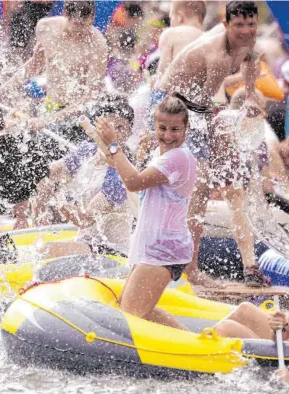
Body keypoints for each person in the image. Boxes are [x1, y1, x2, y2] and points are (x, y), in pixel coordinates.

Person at [150, 1, 267, 287]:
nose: (245, 30)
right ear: (226, 25)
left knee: (232, 183)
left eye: (250, 24)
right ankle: (189, 270)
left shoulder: (248, 41)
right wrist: (228, 122)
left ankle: (250, 267)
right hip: (172, 104)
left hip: (201, 106)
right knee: (199, 187)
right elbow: (202, 106)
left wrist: (250, 96)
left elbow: (251, 62)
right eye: (238, 25)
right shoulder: (216, 54)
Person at [96, 94, 197, 329]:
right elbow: (135, 176)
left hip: (164, 251)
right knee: (135, 309)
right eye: (162, 128)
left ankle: (193, 351)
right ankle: (190, 343)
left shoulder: (178, 157)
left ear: (186, 128)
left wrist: (114, 145)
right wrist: (113, 157)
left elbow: (133, 182)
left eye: (175, 129)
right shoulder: (161, 154)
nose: (168, 135)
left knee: (130, 315)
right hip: (152, 248)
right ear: (154, 125)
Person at [36, 95, 135, 259]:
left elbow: (84, 220)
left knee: (46, 250)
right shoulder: (87, 151)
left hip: (113, 252)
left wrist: (57, 199)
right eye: (109, 127)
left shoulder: (123, 172)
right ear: (97, 128)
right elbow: (52, 170)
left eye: (120, 128)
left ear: (130, 132)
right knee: (40, 248)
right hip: (86, 244)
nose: (113, 134)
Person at [0, 0, 108, 129]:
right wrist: (2, 91)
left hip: (75, 114)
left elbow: (91, 95)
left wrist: (48, 121)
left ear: (92, 18)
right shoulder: (46, 27)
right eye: (76, 25)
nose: (79, 32)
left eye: (84, 25)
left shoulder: (98, 45)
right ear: (65, 15)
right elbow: (34, 65)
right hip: (49, 105)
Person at [156, 1, 206, 81]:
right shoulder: (209, 39)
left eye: (171, 17)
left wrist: (154, 84)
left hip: (176, 89)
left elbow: (163, 72)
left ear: (180, 16)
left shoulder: (170, 34)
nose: (171, 22)